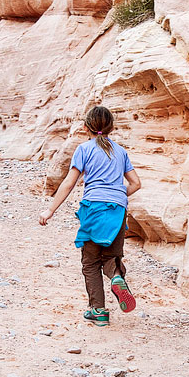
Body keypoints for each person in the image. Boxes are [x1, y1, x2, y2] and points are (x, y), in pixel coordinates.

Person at [38, 106, 141, 326]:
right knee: (111, 257)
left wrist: (50, 209)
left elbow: (69, 183)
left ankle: (99, 310)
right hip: (118, 210)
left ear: (86, 127)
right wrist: (117, 196)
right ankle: (115, 276)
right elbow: (136, 183)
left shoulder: (84, 149)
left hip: (94, 208)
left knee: (90, 262)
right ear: (112, 127)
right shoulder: (120, 151)